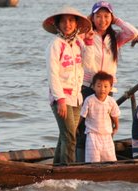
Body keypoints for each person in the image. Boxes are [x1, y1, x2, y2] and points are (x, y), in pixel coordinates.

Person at [77, 0, 138, 161]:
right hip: (88, 85)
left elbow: (133, 33)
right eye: (98, 16)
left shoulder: (115, 38)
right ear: (93, 17)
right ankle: (80, 160)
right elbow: (74, 33)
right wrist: (86, 22)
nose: (102, 20)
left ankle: (104, 157)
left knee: (104, 124)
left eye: (106, 16)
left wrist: (116, 20)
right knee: (85, 125)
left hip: (106, 87)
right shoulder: (87, 34)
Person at [43, 6, 92, 165]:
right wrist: (60, 100)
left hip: (76, 97)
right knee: (70, 137)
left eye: (71, 20)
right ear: (57, 24)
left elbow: (88, 65)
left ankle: (57, 167)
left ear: (76, 24)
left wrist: (89, 42)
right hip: (61, 97)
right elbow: (52, 74)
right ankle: (68, 172)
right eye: (63, 21)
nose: (67, 24)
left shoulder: (79, 43)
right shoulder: (56, 44)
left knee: (65, 135)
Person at [79, 71, 120, 162]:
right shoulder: (89, 100)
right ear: (93, 87)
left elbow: (115, 115)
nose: (102, 89)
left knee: (110, 159)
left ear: (110, 88)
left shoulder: (111, 101)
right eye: (99, 86)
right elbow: (82, 115)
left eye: (105, 86)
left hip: (106, 135)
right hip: (92, 135)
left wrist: (116, 127)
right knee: (93, 160)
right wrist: (76, 127)